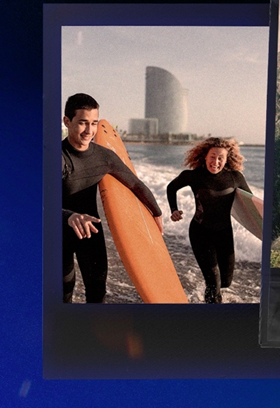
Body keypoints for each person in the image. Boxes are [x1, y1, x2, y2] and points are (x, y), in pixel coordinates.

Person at [62, 93, 164, 303]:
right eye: (82, 123)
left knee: (97, 293)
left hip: (90, 231)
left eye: (94, 123)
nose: (89, 131)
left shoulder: (104, 156)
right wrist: (70, 216)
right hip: (57, 232)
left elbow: (135, 183)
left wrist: (156, 212)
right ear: (67, 121)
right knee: (63, 291)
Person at [167, 137, 251, 304]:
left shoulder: (235, 177)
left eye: (221, 158)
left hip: (224, 233)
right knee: (213, 282)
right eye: (212, 156)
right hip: (200, 232)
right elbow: (172, 188)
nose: (216, 161)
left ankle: (206, 297)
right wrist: (174, 210)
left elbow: (251, 203)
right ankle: (213, 317)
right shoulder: (193, 176)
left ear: (227, 160)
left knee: (225, 282)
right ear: (205, 156)